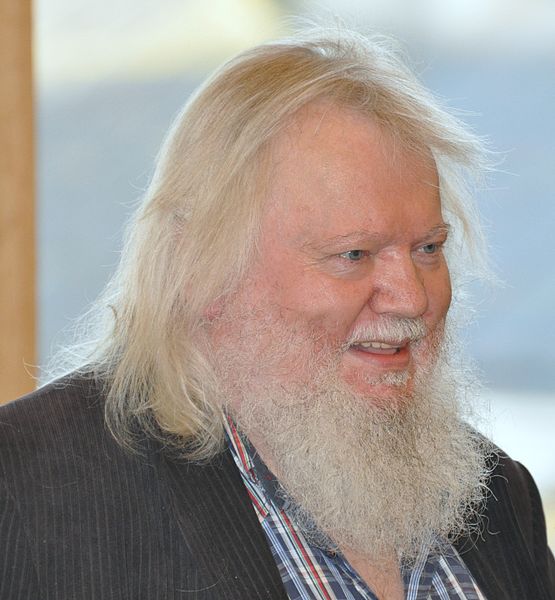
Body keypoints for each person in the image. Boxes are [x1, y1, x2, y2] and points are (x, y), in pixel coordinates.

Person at [1, 27, 553, 600]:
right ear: (199, 266)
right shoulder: (29, 493)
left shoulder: (497, 497)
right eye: (354, 255)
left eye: (428, 248)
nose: (412, 298)